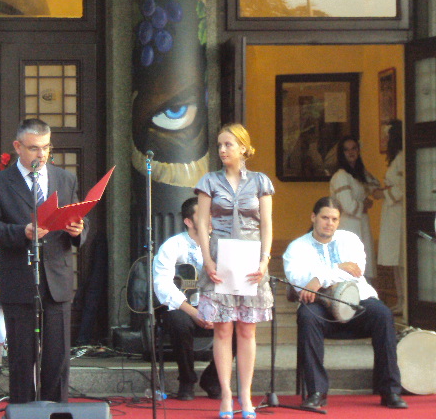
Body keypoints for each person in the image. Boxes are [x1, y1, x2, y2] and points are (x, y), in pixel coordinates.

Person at [0, 118, 87, 404]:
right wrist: (21, 232)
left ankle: (55, 410)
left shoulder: (65, 179)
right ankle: (23, 410)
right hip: (19, 277)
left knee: (57, 357)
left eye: (46, 147)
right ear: (17, 147)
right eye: (34, 148)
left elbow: (78, 223)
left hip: (57, 278)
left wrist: (79, 230)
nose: (41, 155)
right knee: (22, 358)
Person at [283, 196, 407, 410]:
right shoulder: (297, 248)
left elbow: (354, 275)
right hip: (321, 308)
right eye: (324, 217)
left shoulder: (350, 240)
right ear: (313, 217)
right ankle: (316, 393)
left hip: (356, 302)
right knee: (306, 315)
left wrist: (318, 278)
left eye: (334, 219)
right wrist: (337, 269)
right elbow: (301, 285)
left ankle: (390, 391)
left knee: (383, 314)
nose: (329, 223)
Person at [194, 123, 274, 419]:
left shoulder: (261, 182)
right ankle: (226, 395)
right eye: (219, 145)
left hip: (251, 258)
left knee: (246, 329)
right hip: (221, 255)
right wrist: (207, 259)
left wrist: (265, 260)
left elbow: (266, 223)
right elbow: (202, 223)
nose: (222, 150)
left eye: (228, 144)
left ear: (243, 147)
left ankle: (246, 396)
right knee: (223, 328)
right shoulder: (209, 181)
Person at [152, 197, 220, 401]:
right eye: (203, 215)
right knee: (178, 321)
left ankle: (212, 378)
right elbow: (162, 284)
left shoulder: (220, 244)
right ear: (189, 222)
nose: (210, 220)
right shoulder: (173, 246)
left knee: (240, 324)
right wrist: (193, 311)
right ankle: (187, 380)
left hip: (213, 305)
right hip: (183, 308)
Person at [329, 135, 381, 280]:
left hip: (362, 224)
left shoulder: (358, 174)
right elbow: (349, 206)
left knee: (365, 266)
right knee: (352, 268)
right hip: (348, 226)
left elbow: (376, 186)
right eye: (346, 150)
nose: (351, 152)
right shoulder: (340, 176)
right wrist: (364, 204)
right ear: (341, 153)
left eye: (354, 148)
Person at [377, 121, 405, 314]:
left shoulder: (403, 157)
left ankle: (406, 300)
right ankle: (401, 299)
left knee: (402, 258)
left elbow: (404, 186)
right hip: (391, 213)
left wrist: (385, 194)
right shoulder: (396, 158)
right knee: (395, 259)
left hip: (399, 213)